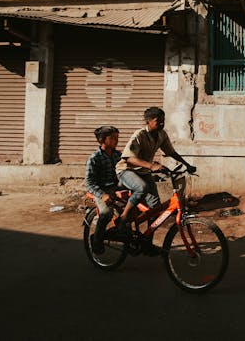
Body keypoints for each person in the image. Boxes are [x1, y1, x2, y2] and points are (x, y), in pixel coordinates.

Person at [115, 107, 196, 253]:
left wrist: (187, 165)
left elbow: (171, 152)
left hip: (144, 172)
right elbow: (128, 157)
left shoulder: (161, 135)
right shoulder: (139, 135)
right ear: (148, 121)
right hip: (127, 170)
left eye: (163, 121)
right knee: (142, 187)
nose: (161, 124)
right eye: (158, 121)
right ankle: (123, 217)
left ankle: (147, 242)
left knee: (154, 209)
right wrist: (152, 166)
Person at [84, 126, 121, 255]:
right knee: (106, 212)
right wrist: (102, 194)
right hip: (101, 190)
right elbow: (89, 183)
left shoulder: (118, 155)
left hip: (116, 189)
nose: (116, 141)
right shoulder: (94, 158)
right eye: (112, 138)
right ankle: (97, 240)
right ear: (102, 140)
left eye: (117, 138)